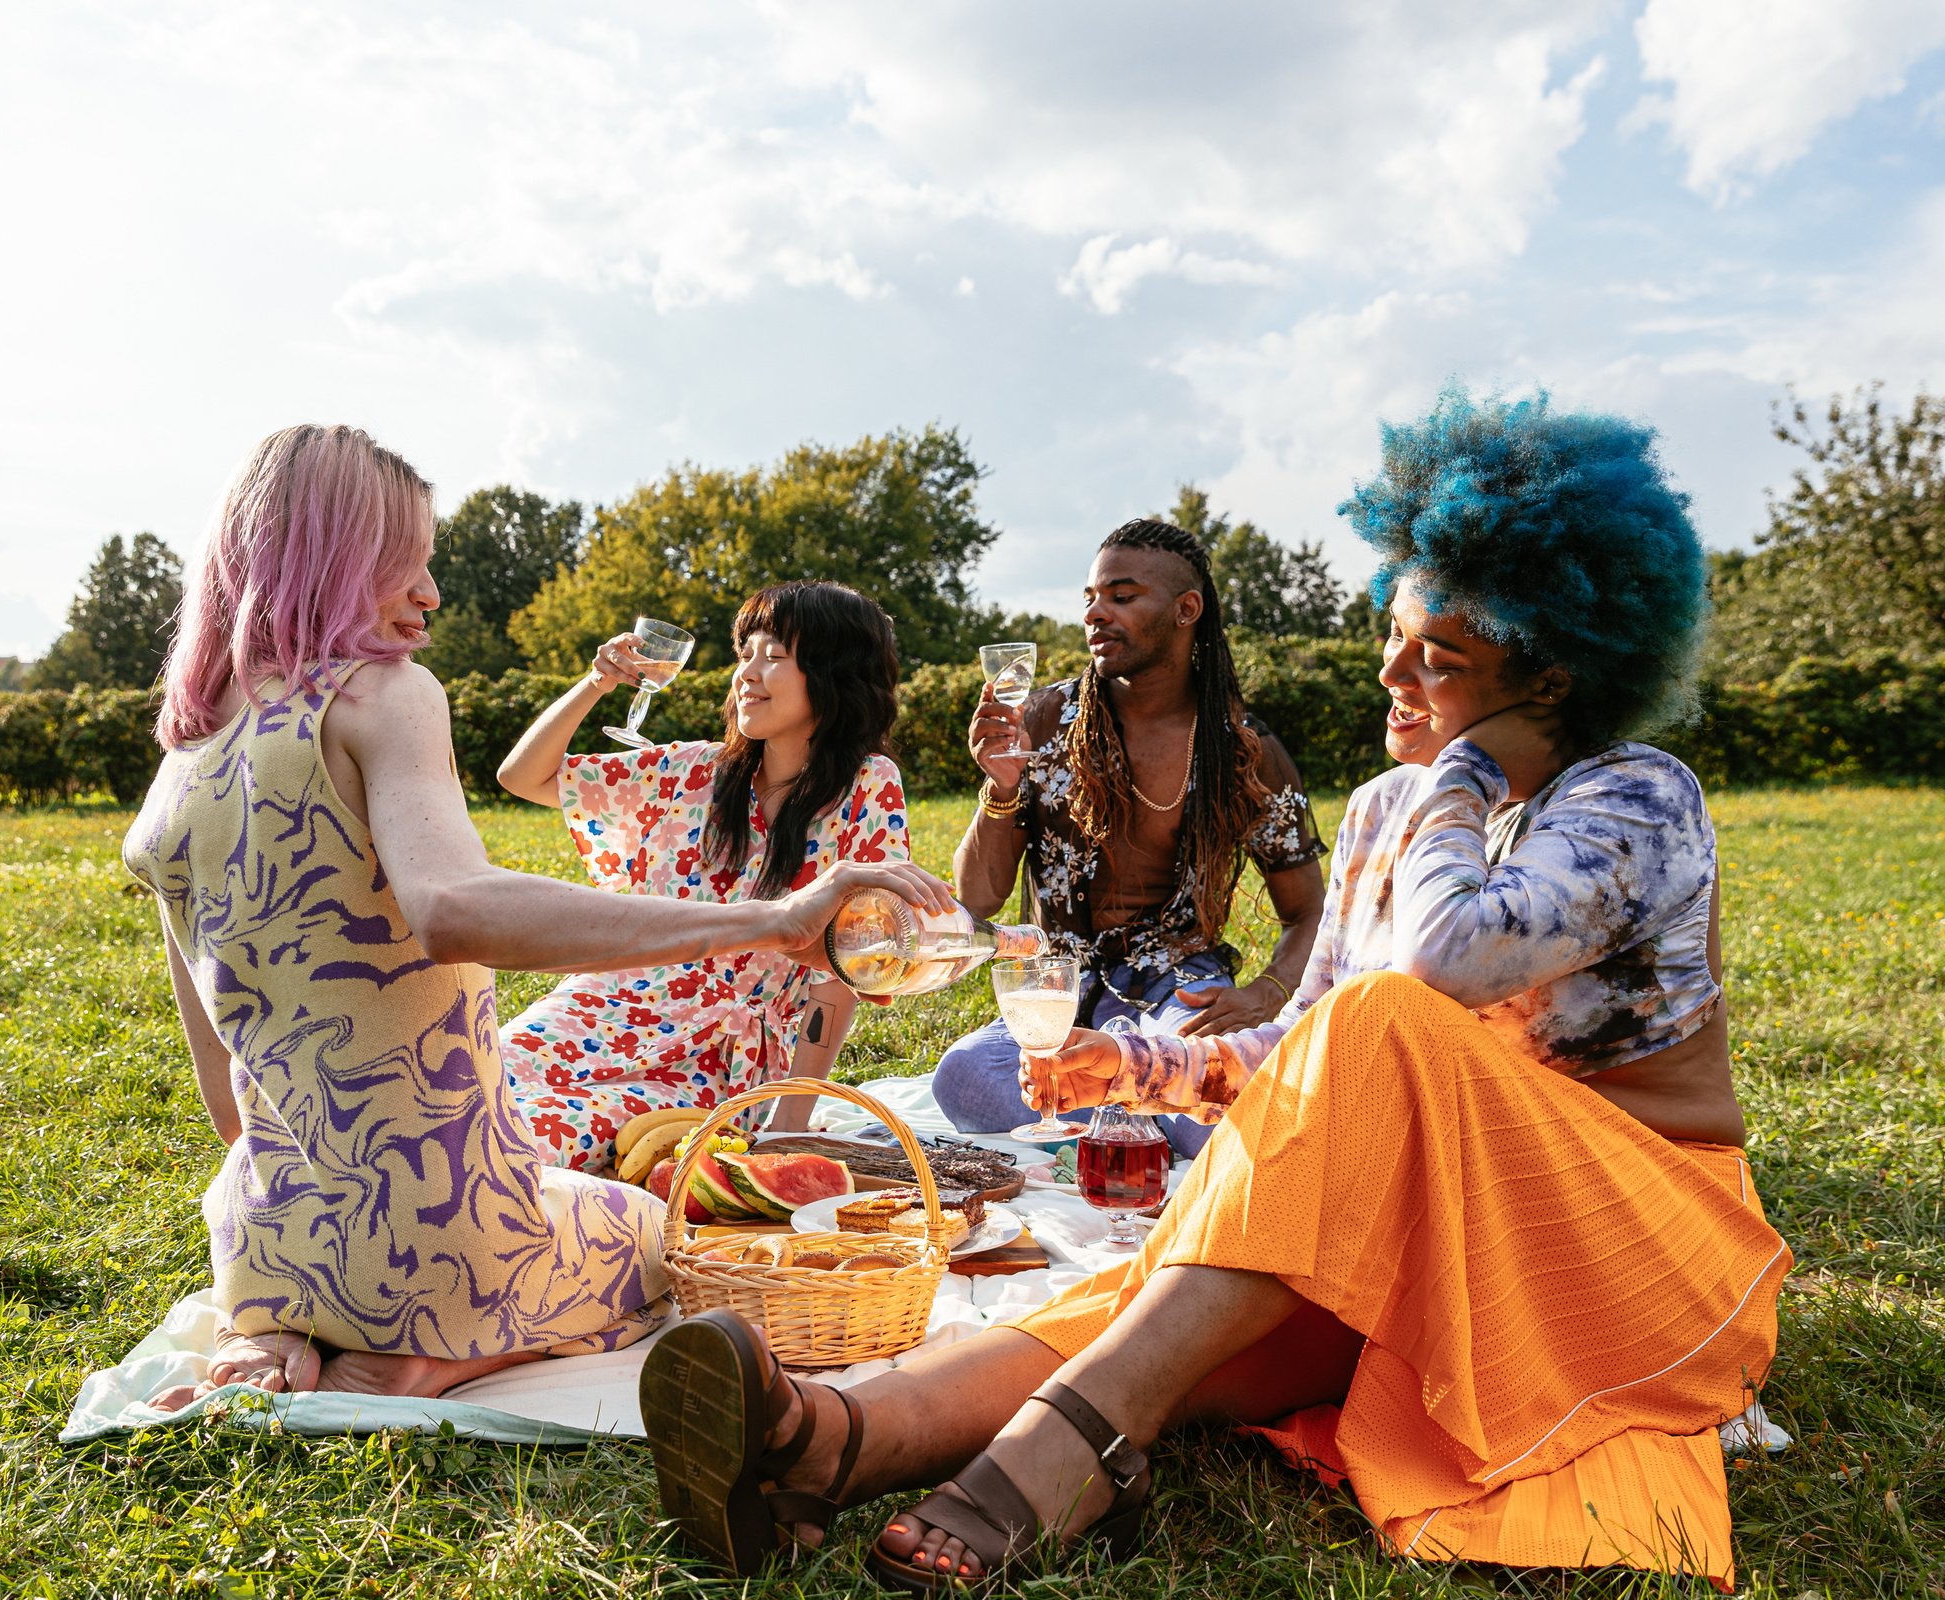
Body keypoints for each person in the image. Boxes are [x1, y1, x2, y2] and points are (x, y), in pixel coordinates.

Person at [637, 389, 1791, 1592]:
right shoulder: (1391, 810)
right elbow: (1308, 1045)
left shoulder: (1634, 798)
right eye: (1395, 632)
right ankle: (834, 1442)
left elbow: (1438, 966)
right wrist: (1132, 1067)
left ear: (1551, 676)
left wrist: (1464, 768)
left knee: (1374, 1030)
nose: (1389, 668)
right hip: (1446, 1232)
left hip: (1627, 1245)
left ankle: (1072, 1444)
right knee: (1155, 1298)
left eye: (1437, 655)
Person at [122, 425, 949, 1409]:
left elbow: (229, 1112)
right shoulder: (389, 696)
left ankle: (287, 1335)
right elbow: (454, 909)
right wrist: (771, 922)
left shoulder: (180, 773)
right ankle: (433, 1358)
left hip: (259, 1247)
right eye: (406, 563)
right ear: (330, 561)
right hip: (443, 1257)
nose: (432, 593)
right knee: (673, 1237)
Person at [934, 519, 1325, 1157]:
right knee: (964, 1077)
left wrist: (1267, 991)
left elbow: (1309, 911)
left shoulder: (1242, 748)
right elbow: (976, 898)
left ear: (1185, 610)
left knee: (1218, 1110)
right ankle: (1135, 1117)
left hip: (1179, 990)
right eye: (1090, 598)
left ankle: (1108, 1111)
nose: (1096, 614)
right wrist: (1001, 786)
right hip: (1062, 993)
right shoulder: (1043, 720)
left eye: (1121, 596)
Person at [492, 581, 912, 1171]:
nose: (748, 672)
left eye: (776, 656)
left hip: (717, 1055)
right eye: (745, 655)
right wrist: (598, 682)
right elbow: (524, 777)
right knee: (467, 1095)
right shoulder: (691, 772)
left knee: (533, 1143)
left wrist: (789, 1118)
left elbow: (844, 970)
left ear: (834, 673)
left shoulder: (867, 786)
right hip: (607, 1005)